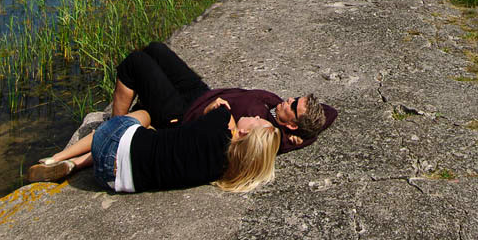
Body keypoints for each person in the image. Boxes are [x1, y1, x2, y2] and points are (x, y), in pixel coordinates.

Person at [113, 42, 337, 154]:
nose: (289, 99)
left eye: (294, 105)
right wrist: (308, 136)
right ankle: (141, 109)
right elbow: (330, 113)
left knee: (136, 63)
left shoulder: (265, 134)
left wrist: (295, 139)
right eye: (295, 98)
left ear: (291, 124)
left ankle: (114, 130)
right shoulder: (287, 118)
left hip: (183, 115)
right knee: (156, 49)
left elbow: (234, 147)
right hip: (201, 93)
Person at [28, 105, 280, 194]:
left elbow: (214, 112)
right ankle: (76, 165)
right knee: (149, 138)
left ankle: (58, 157)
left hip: (109, 144)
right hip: (112, 181)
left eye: (258, 120)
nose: (255, 116)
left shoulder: (220, 124)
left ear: (245, 133)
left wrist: (226, 116)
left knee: (143, 116)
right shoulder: (223, 171)